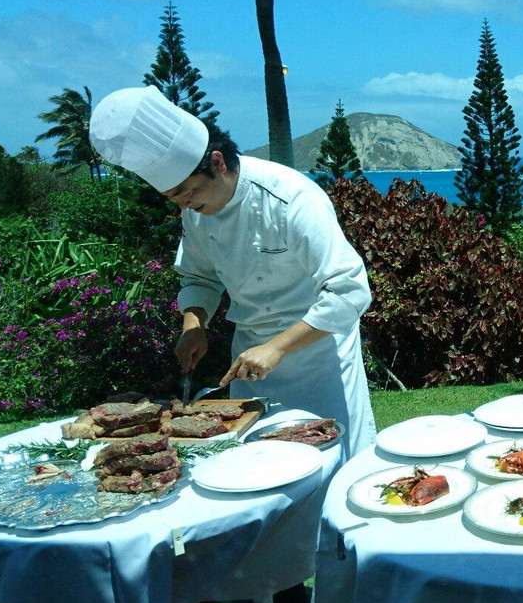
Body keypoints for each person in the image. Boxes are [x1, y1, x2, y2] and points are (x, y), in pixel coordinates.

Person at [89, 85, 376, 460]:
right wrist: (193, 326)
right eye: (174, 198)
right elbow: (200, 277)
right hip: (250, 358)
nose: (185, 204)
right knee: (255, 471)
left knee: (328, 466)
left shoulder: (292, 199)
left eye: (186, 191)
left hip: (318, 356)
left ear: (218, 163)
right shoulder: (196, 212)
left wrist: (277, 349)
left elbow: (349, 291)